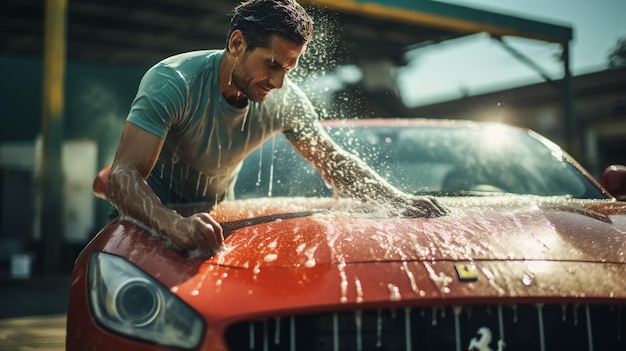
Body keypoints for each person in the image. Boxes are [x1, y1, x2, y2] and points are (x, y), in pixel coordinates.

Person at [106, 0, 448, 253]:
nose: (279, 83)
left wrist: (397, 200)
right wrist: (173, 226)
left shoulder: (284, 100)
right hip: (146, 220)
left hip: (214, 220)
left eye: (288, 68)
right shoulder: (174, 81)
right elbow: (123, 175)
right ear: (237, 44)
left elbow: (333, 161)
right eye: (271, 64)